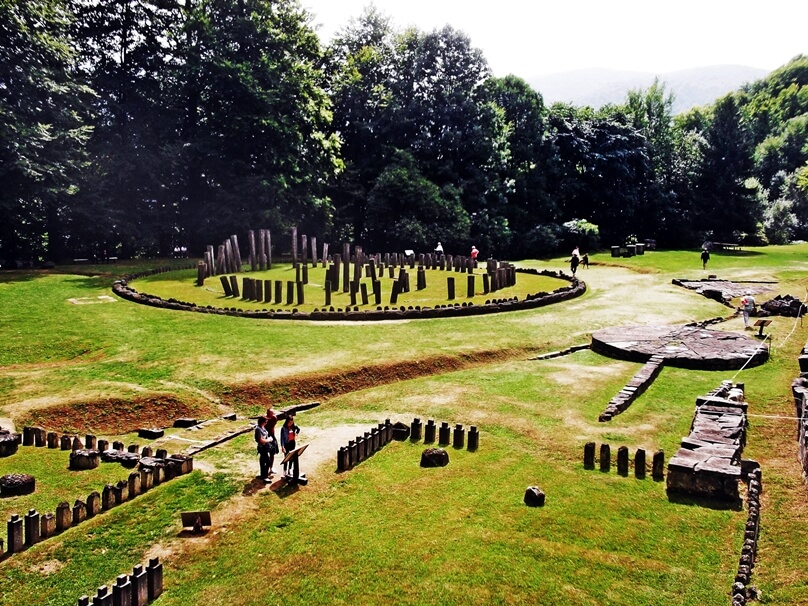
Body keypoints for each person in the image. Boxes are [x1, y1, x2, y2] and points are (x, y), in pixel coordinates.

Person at [254, 416, 273, 482]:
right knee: (268, 462)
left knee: (262, 461)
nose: (266, 423)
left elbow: (265, 435)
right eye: (265, 422)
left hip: (265, 447)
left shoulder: (262, 427)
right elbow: (260, 440)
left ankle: (262, 475)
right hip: (262, 447)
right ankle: (265, 476)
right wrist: (269, 440)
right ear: (262, 422)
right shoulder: (258, 429)